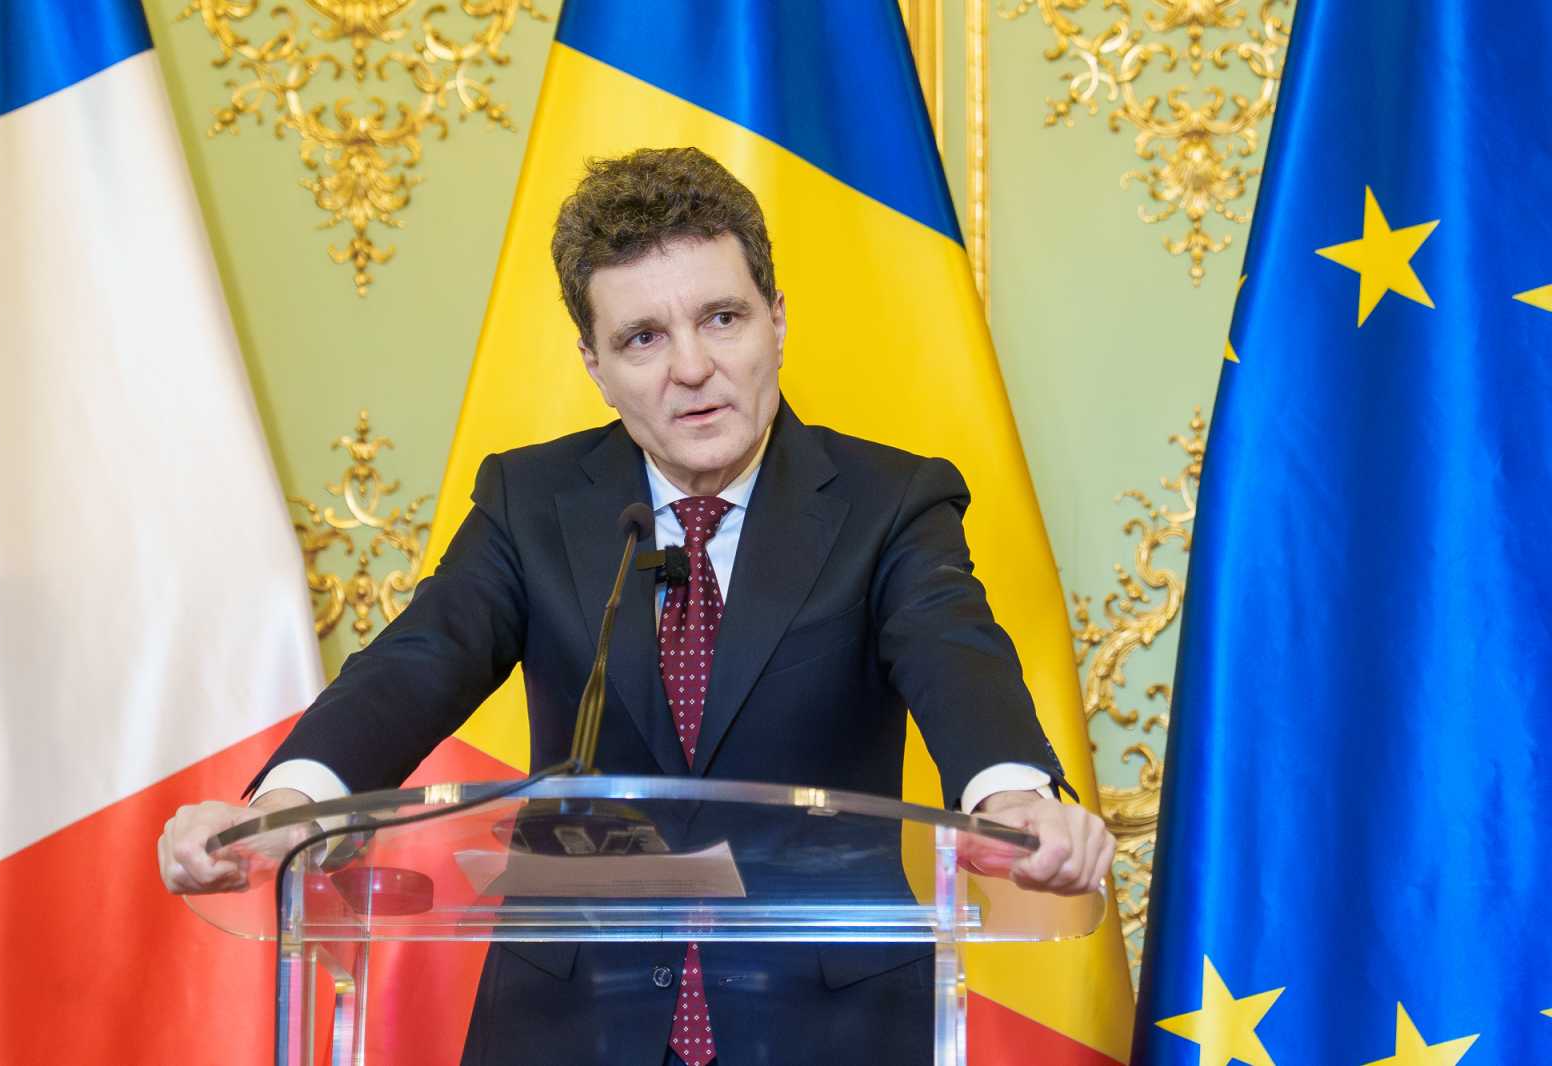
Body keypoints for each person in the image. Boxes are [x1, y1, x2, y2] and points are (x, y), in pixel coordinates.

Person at [158, 147, 1114, 1064]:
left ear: (778, 320)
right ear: (594, 364)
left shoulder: (889, 503)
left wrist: (1013, 797)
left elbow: (954, 649)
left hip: (829, 1027)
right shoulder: (531, 503)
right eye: (643, 338)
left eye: (722, 318)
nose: (691, 368)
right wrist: (291, 803)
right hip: (569, 1025)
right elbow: (422, 657)